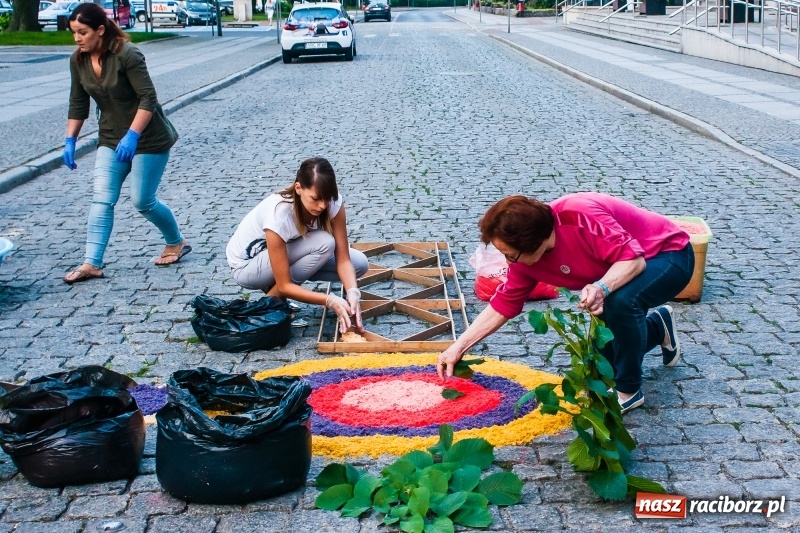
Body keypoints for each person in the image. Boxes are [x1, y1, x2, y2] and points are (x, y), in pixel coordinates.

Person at [436, 192, 694, 414]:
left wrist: (601, 287)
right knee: (601, 369)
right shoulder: (524, 262)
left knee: (619, 303)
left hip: (668, 256)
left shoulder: (580, 215)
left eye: (509, 254)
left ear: (532, 243)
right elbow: (503, 304)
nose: (507, 261)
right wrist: (458, 347)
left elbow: (634, 261)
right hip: (617, 273)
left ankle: (629, 391)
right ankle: (657, 328)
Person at [62, 3, 190, 284]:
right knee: (101, 198)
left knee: (142, 201)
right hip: (110, 137)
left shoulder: (127, 54)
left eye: (82, 32)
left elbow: (148, 98)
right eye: (74, 33)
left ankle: (175, 241)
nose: (77, 39)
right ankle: (92, 262)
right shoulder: (78, 60)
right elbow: (77, 102)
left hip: (148, 137)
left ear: (100, 29)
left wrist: (133, 135)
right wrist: (70, 139)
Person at [226, 157, 369, 334]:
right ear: (298, 188)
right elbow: (285, 284)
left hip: (283, 256)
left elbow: (344, 259)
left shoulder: (332, 202)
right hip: (247, 266)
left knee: (360, 264)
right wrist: (328, 300)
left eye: (327, 199)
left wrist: (353, 291)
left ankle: (276, 295)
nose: (322, 205)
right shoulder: (279, 214)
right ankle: (269, 304)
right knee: (324, 243)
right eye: (315, 199)